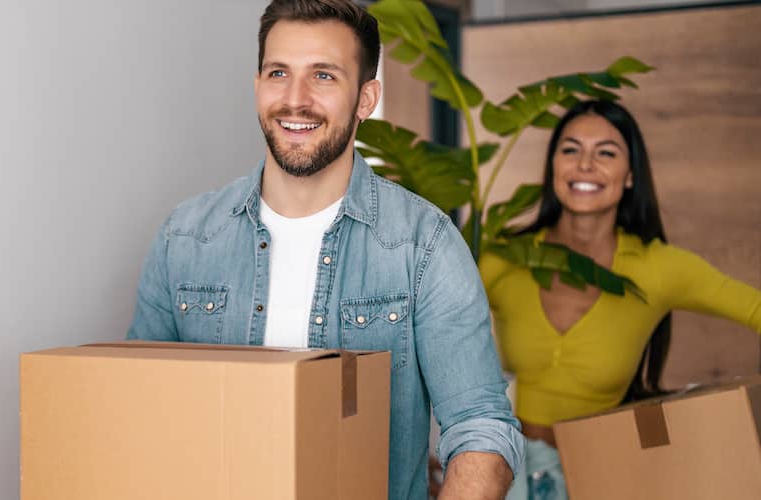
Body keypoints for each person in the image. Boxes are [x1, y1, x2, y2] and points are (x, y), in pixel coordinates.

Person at [127, 1, 524, 498]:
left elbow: (481, 426)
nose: (295, 99)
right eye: (278, 72)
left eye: (323, 76)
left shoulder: (423, 245)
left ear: (365, 98)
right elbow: (139, 406)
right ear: (257, 85)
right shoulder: (184, 237)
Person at [479, 99, 761, 499]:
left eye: (606, 153)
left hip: (603, 477)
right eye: (570, 149)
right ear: (553, 167)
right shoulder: (503, 257)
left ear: (630, 175)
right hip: (505, 477)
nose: (585, 165)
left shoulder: (659, 267)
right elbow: (429, 337)